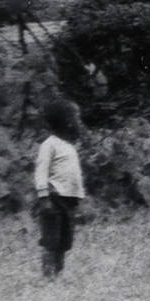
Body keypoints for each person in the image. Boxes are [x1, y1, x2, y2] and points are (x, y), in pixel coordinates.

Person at [34, 99, 84, 278]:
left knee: (64, 240)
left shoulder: (69, 146)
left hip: (68, 200)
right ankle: (48, 274)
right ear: (67, 121)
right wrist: (43, 197)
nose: (79, 121)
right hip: (54, 198)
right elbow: (41, 171)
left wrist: (77, 197)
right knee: (51, 239)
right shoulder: (49, 145)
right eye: (76, 117)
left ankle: (59, 272)